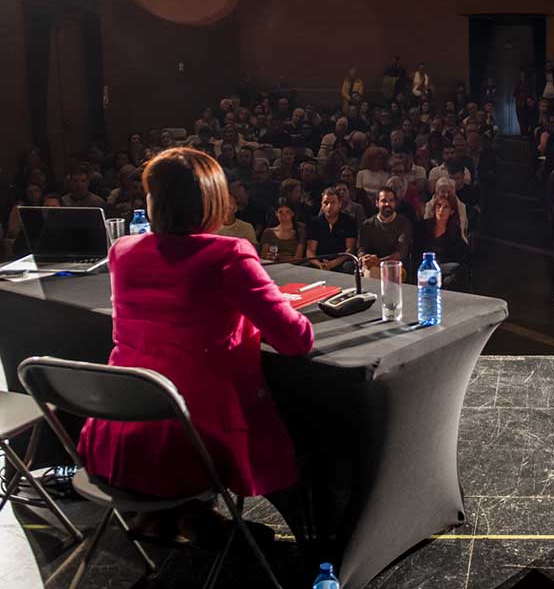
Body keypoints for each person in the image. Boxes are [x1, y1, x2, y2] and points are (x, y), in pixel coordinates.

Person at [77, 149, 313, 517]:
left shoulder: (122, 251)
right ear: (213, 201)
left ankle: (179, 522)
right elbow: (296, 340)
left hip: (117, 432)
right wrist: (262, 309)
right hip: (195, 440)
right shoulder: (229, 253)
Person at [358, 186, 414, 276]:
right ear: (377, 203)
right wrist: (363, 258)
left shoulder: (404, 223)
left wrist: (379, 262)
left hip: (396, 266)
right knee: (370, 271)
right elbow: (362, 248)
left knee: (373, 272)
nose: (387, 204)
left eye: (391, 201)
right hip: (372, 264)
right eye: (384, 201)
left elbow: (401, 253)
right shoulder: (367, 224)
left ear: (395, 203)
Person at [306, 187, 357, 272]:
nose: (329, 206)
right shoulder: (315, 223)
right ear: (322, 204)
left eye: (333, 202)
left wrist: (332, 263)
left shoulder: (349, 222)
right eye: (326, 203)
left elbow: (350, 250)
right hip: (320, 261)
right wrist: (319, 264)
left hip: (340, 261)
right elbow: (310, 250)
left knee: (349, 266)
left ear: (340, 204)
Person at [419, 194, 469, 266]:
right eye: (439, 205)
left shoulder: (454, 231)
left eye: (446, 207)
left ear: (451, 211)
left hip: (445, 268)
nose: (441, 210)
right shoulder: (423, 226)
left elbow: (458, 258)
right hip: (424, 267)